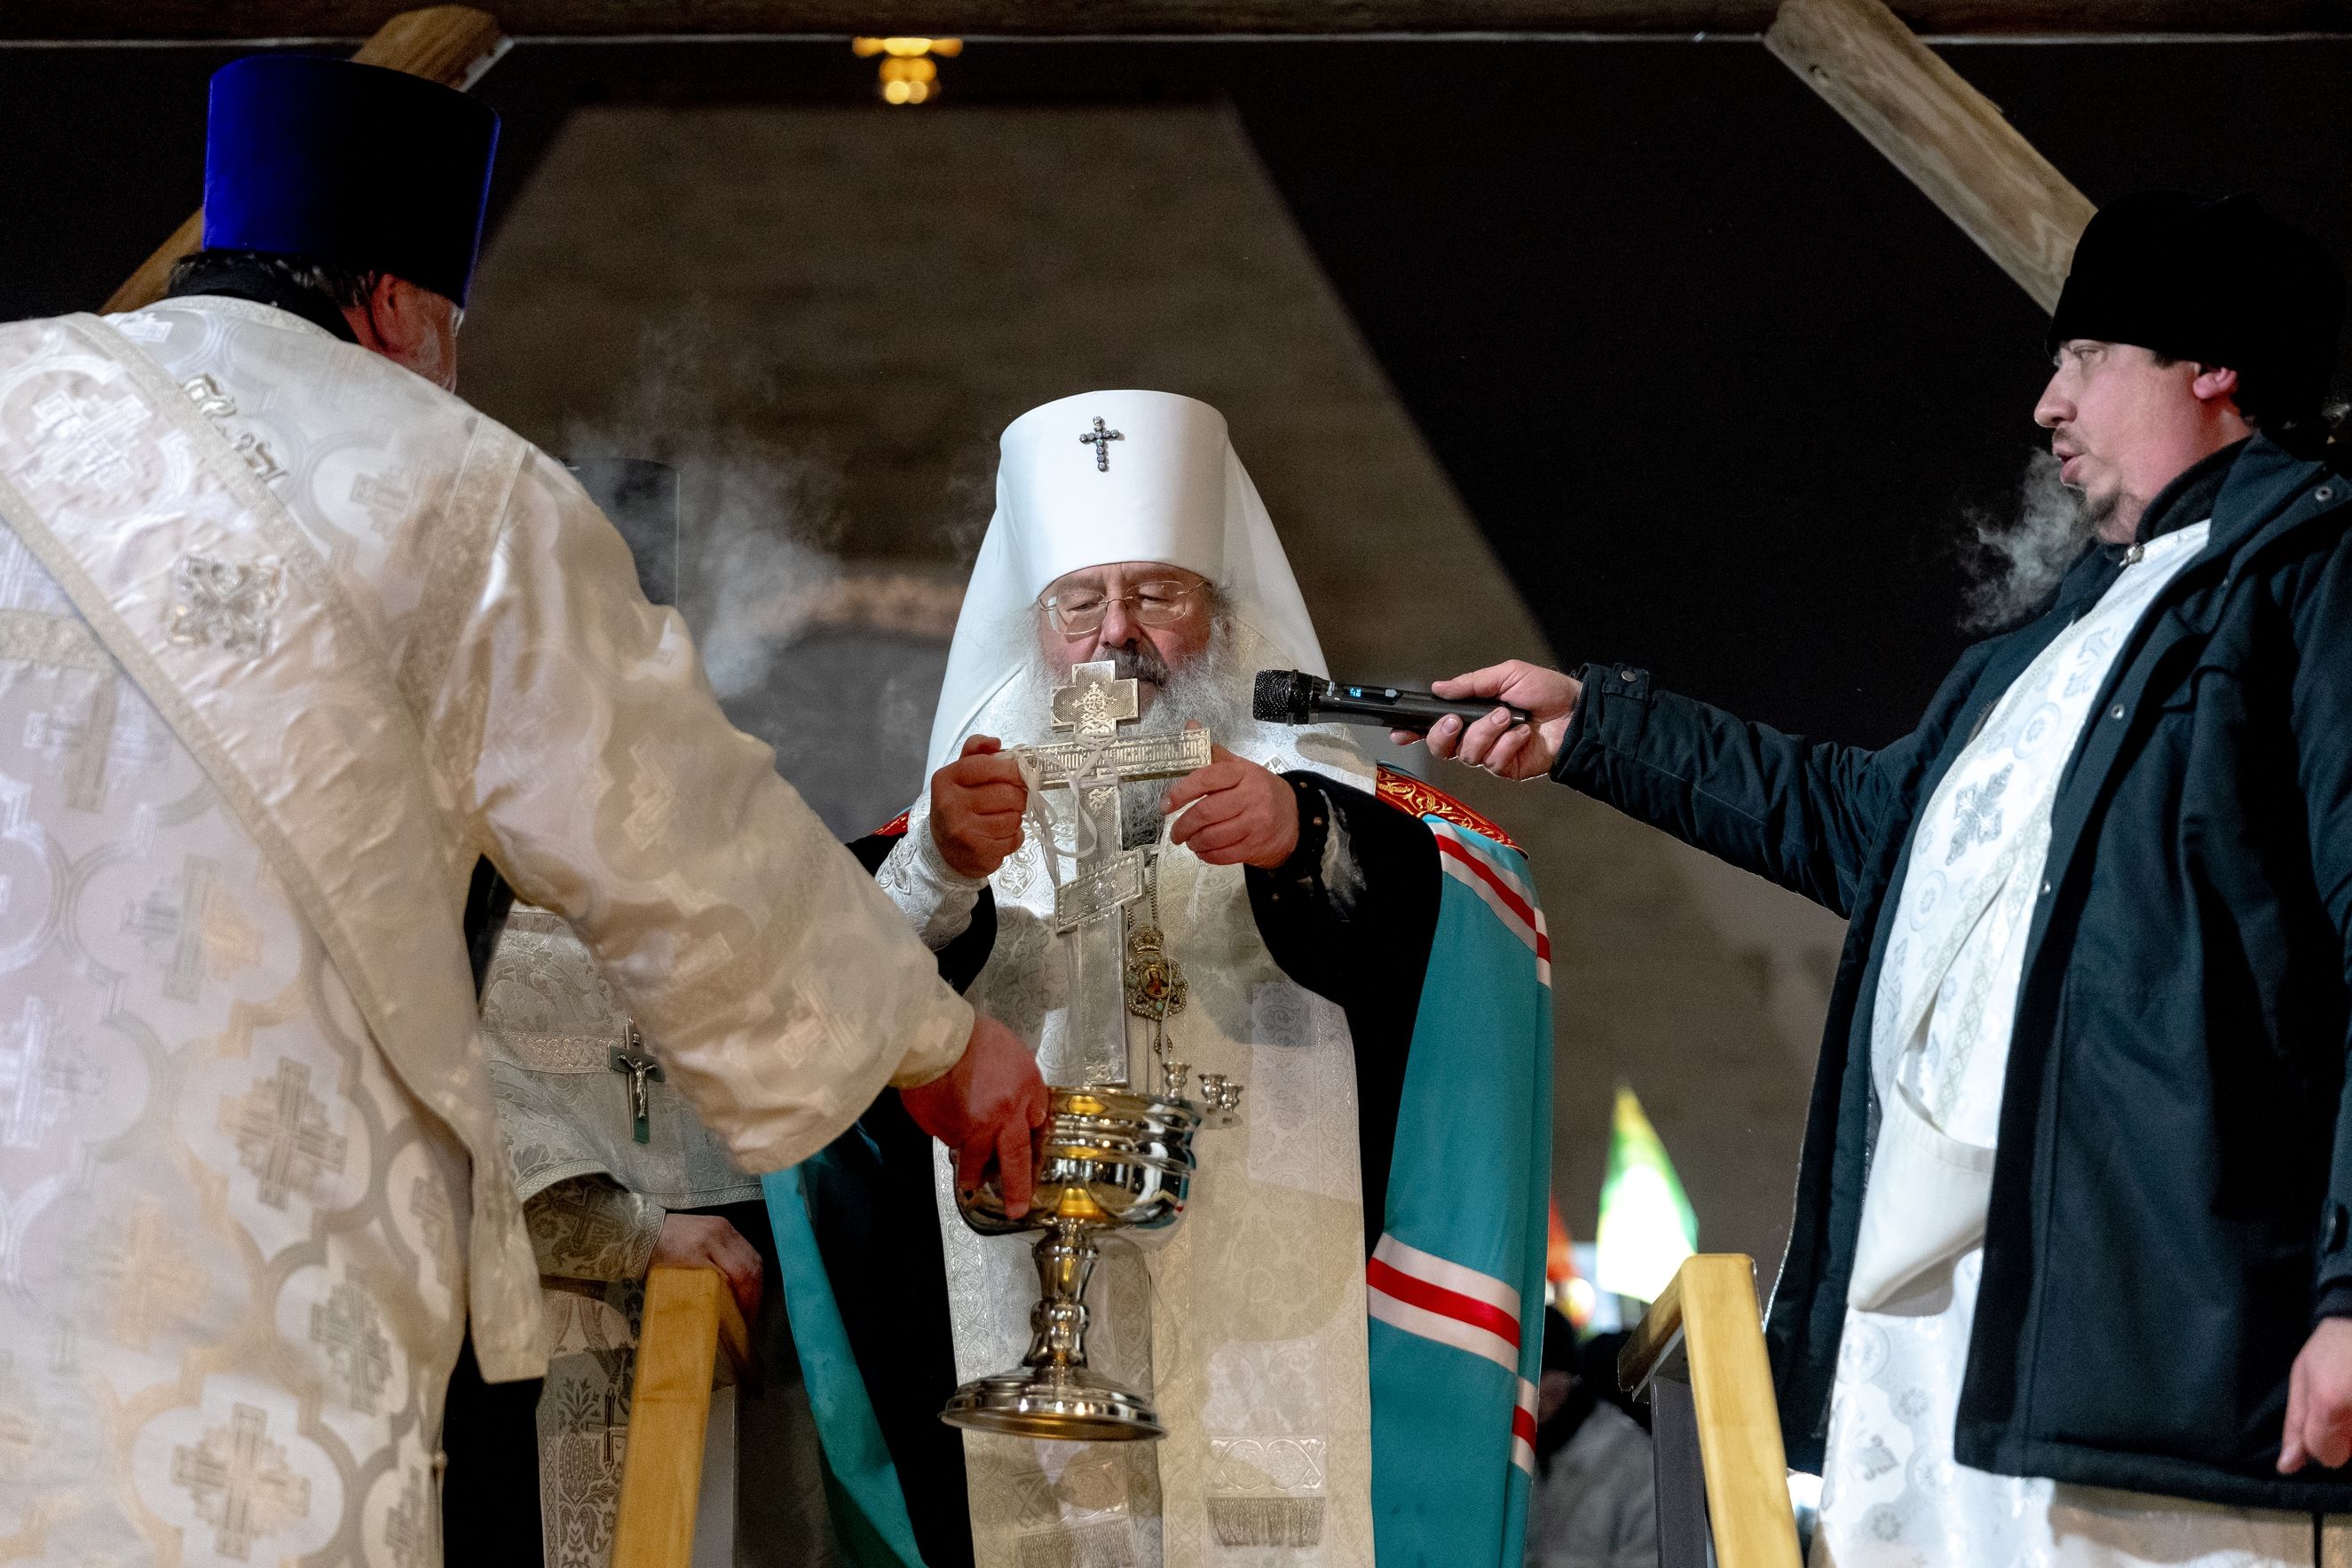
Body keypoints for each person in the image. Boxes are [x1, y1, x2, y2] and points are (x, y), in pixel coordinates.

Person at [0, 54, 1045, 1563]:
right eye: (448, 336)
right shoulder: (467, 494)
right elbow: (680, 832)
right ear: (390, 308)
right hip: (235, 1281)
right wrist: (939, 1045)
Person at [1424, 191, 2352, 1563]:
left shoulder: (2314, 583)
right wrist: (1596, 727)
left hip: (2152, 1337)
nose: (2045, 402)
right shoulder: (2041, 644)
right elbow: (1867, 826)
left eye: (2084, 356)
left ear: (2209, 363)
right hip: (1942, 1323)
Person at [846, 389, 1554, 1568]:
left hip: (1288, 1327)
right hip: (1015, 1305)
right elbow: (827, 995)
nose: (1116, 635)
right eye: (1080, 601)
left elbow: (1474, 926)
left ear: (1222, 613)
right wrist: (938, 868)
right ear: (1036, 625)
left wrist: (1303, 835)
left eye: (1158, 595)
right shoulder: (955, 821)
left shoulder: (1321, 798)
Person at [1522, 1310, 1655, 1568]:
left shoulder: (1628, 1457)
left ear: (1568, 1377)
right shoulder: (1519, 1454)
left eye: (1542, 1376)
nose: (1532, 1393)